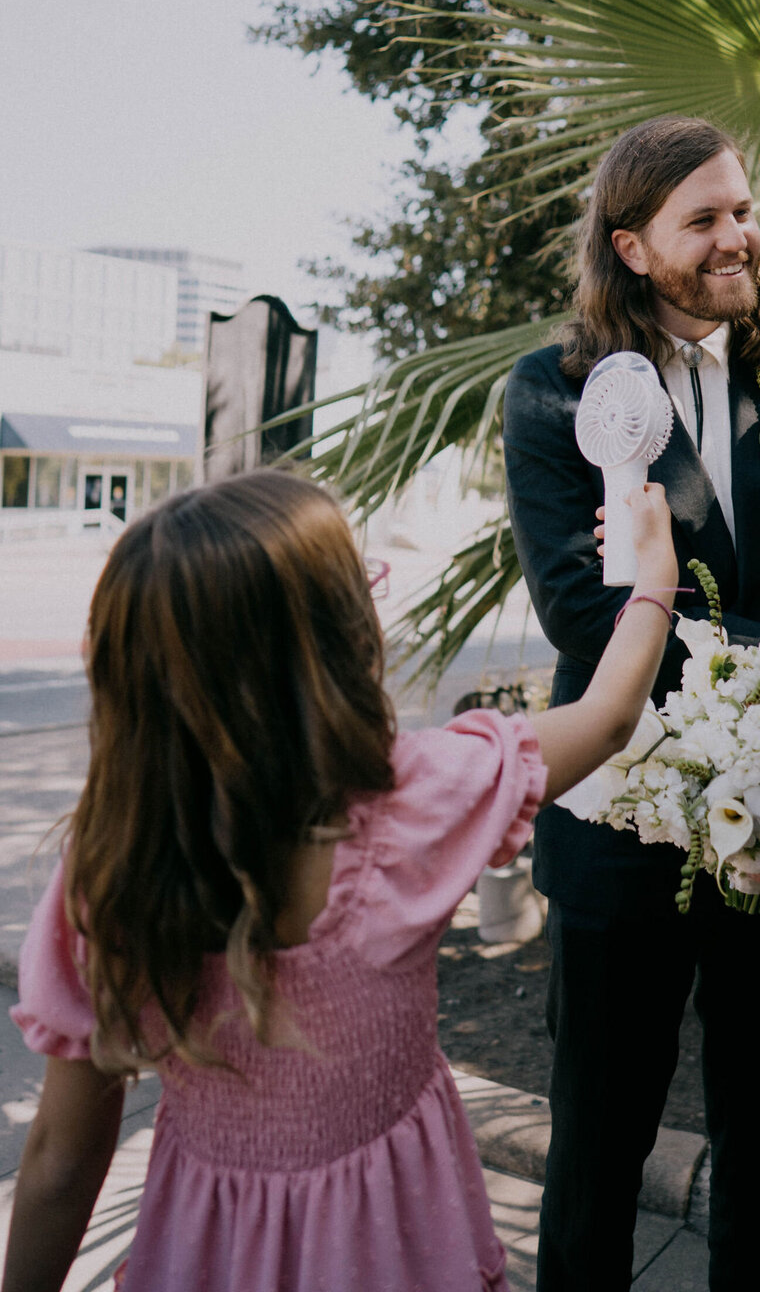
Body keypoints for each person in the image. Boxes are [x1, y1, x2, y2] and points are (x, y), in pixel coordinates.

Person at [3, 467, 679, 1292]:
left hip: (210, 1258)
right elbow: (609, 716)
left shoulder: (111, 868)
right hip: (401, 1250)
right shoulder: (416, 800)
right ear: (336, 639)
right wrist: (655, 577)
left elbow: (60, 1164)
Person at [503, 117, 760, 1292]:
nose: (739, 236)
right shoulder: (554, 394)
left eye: (743, 210)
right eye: (704, 219)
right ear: (630, 244)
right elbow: (581, 613)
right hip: (622, 832)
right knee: (597, 1164)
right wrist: (730, 758)